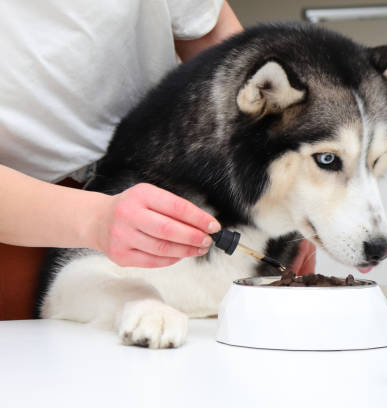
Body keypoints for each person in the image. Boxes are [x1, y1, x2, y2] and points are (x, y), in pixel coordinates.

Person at [0, 1, 315, 319]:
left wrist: (293, 193)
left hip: (160, 187)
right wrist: (96, 219)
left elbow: (227, 58)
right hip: (15, 222)